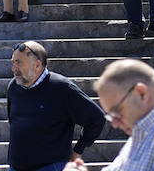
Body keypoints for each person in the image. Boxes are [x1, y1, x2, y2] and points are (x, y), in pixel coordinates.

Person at [7, 41, 105, 171]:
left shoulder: (62, 88)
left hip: (50, 166)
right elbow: (12, 121)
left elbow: (96, 119)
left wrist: (78, 150)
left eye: (18, 63)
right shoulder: (13, 87)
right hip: (16, 166)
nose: (13, 68)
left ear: (37, 65)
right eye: (13, 62)